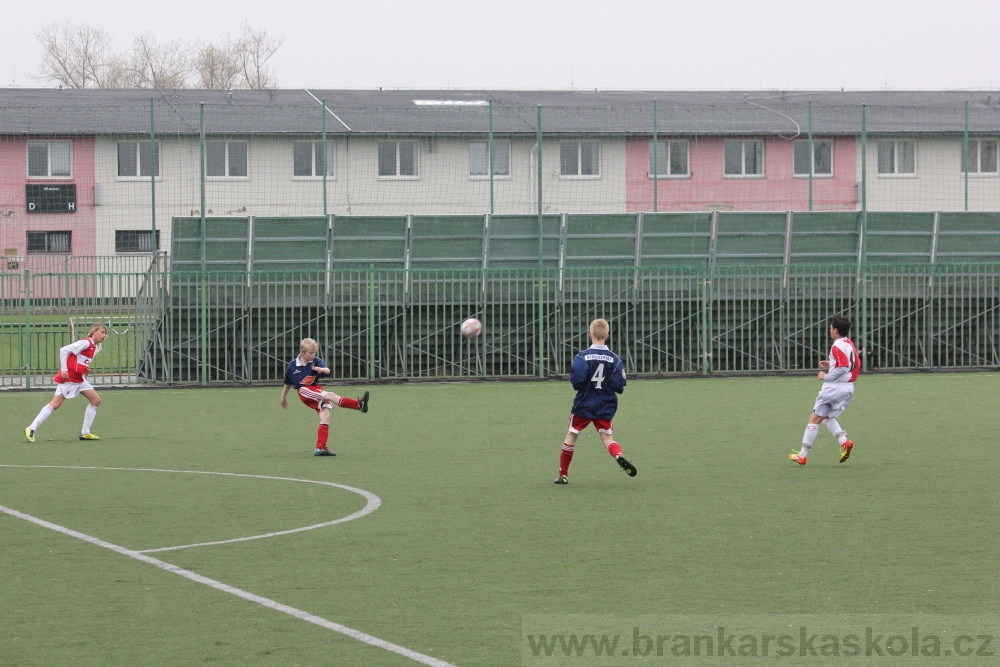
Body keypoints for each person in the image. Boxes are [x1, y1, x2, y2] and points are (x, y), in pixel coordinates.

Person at [554, 318, 637, 484]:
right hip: (605, 404)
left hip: (584, 403)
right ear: (607, 335)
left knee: (571, 435)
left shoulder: (582, 356)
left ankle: (563, 475)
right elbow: (619, 385)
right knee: (608, 439)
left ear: (589, 335)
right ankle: (618, 455)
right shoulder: (615, 359)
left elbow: (577, 381)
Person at [789, 315, 861, 465]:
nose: (829, 330)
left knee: (814, 419)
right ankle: (844, 441)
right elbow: (850, 364)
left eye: (830, 328)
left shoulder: (836, 346)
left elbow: (842, 367)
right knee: (826, 417)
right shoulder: (849, 344)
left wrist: (826, 375)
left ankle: (802, 456)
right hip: (848, 389)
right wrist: (830, 363)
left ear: (835, 330)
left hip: (834, 388)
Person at [279, 338, 369, 456]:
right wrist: (283, 397)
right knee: (331, 395)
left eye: (314, 353)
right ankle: (359, 405)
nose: (313, 355)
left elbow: (327, 370)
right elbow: (287, 382)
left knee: (325, 416)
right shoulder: (292, 365)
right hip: (304, 391)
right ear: (302, 352)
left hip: (316, 389)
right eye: (310, 353)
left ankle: (320, 448)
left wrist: (322, 369)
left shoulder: (316, 361)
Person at [25, 323, 109, 442]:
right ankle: (31, 428)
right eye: (102, 332)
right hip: (69, 379)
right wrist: (64, 370)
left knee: (96, 400)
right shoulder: (85, 343)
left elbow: (79, 360)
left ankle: (85, 432)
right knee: (55, 404)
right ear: (94, 331)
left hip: (79, 379)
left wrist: (85, 369)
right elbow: (64, 350)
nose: (104, 335)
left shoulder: (95, 348)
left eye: (105, 334)